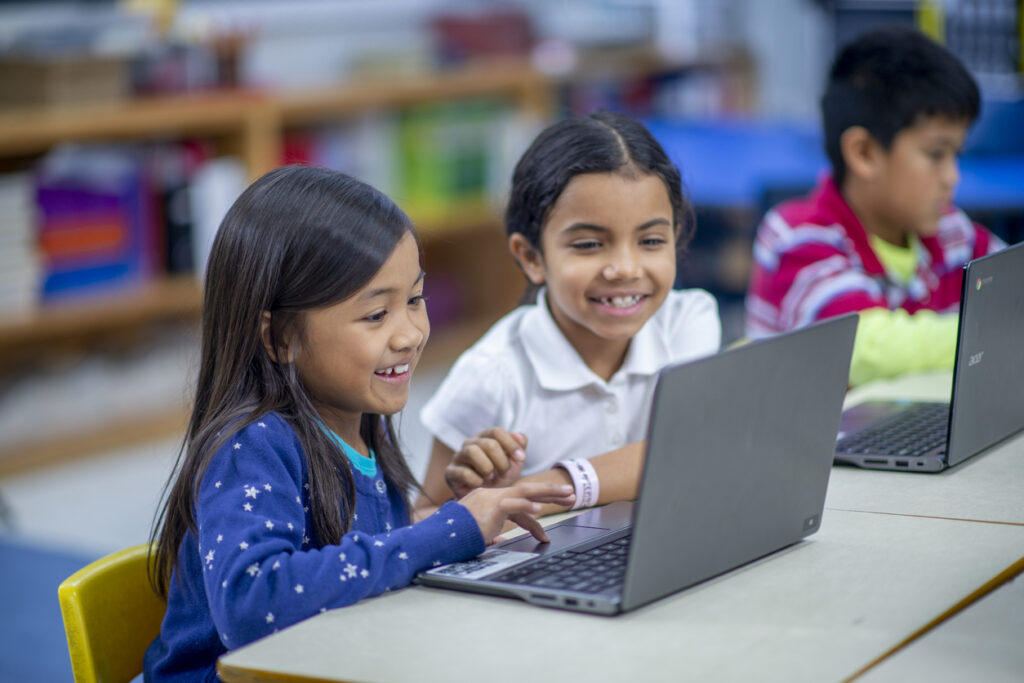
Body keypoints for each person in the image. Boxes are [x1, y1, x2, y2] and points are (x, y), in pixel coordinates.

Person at [144, 166, 573, 681]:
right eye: (376, 315)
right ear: (278, 336)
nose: (411, 334)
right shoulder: (250, 446)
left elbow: (360, 562)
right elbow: (252, 605)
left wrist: (455, 511)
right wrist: (445, 532)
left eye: (414, 300)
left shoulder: (361, 428)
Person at [417, 111, 721, 517]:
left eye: (650, 240)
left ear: (676, 238)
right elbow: (422, 519)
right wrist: (474, 500)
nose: (625, 269)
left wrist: (530, 491)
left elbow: (686, 448)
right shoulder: (490, 376)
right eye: (590, 245)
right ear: (531, 257)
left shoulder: (688, 320)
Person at [745, 25, 1005, 386]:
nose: (952, 177)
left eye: (956, 155)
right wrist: (994, 333)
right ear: (864, 153)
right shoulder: (797, 236)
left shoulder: (952, 234)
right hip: (820, 441)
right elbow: (863, 348)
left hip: (911, 431)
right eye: (936, 154)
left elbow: (1013, 293)